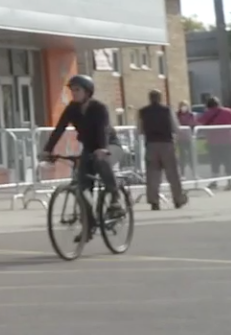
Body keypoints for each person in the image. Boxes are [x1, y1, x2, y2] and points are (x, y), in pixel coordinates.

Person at [41, 73, 123, 237]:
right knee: (81, 187)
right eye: (72, 91)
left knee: (101, 162)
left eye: (77, 90)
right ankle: (89, 226)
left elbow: (103, 129)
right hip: (89, 148)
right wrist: (47, 149)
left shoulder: (98, 108)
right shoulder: (72, 108)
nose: (74, 93)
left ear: (87, 92)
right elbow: (59, 128)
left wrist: (102, 148)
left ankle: (115, 199)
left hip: (109, 145)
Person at [137, 89, 186, 210]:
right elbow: (175, 127)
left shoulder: (142, 112)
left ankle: (154, 201)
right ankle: (178, 199)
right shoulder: (167, 110)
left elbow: (139, 130)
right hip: (166, 143)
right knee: (172, 173)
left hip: (151, 144)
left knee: (153, 174)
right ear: (160, 98)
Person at [196, 95, 231, 179]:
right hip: (228, 140)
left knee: (214, 161)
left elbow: (198, 123)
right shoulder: (228, 111)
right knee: (228, 160)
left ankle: (215, 179)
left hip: (213, 141)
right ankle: (230, 178)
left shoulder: (207, 113)